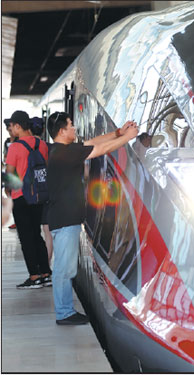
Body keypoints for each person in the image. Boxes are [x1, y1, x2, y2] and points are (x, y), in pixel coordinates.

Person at [47, 111, 138, 325]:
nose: (74, 129)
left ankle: (65, 310)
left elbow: (92, 142)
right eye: (71, 126)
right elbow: (100, 149)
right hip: (65, 220)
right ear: (62, 131)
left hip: (63, 218)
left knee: (64, 267)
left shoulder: (61, 150)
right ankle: (64, 312)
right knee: (63, 269)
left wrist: (118, 132)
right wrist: (127, 138)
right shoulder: (64, 154)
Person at [4, 110, 52, 289]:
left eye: (11, 126)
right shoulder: (42, 144)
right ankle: (46, 273)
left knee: (26, 238)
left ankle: (34, 276)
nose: (10, 130)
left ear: (18, 126)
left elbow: (9, 175)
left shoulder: (15, 147)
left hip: (22, 197)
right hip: (39, 196)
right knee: (36, 234)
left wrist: (8, 193)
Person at [31, 116, 53, 264]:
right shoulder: (50, 147)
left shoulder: (25, 148)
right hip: (48, 193)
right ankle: (46, 266)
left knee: (33, 233)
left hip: (31, 194)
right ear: (44, 129)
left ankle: (37, 267)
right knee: (47, 232)